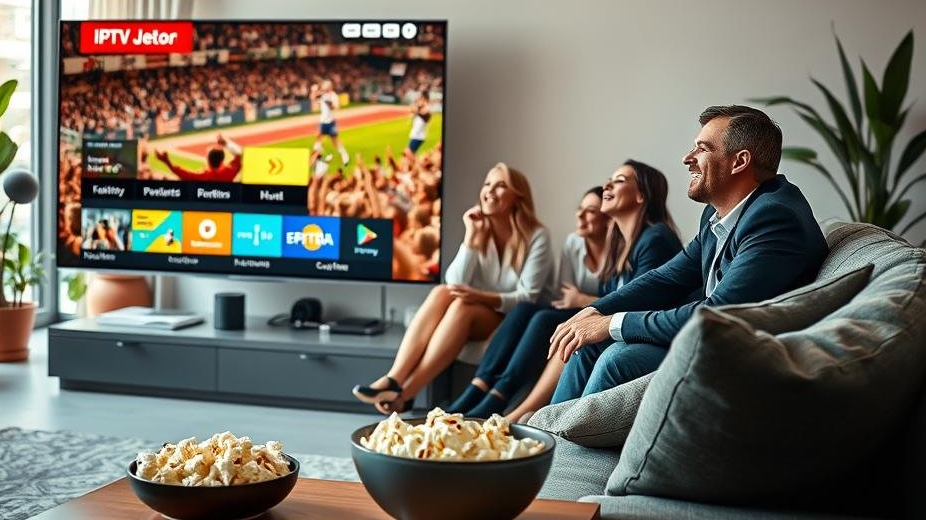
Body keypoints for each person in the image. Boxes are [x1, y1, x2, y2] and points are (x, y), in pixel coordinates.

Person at [547, 105, 828, 404]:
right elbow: (667, 276)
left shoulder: (774, 218)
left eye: (702, 149)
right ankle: (545, 437)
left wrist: (612, 323)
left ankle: (561, 445)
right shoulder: (719, 213)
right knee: (588, 343)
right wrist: (595, 311)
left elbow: (717, 314)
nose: (687, 158)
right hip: (707, 338)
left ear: (739, 162)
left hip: (743, 357)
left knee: (617, 358)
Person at [450, 163, 681, 420]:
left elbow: (642, 303)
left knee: (562, 328)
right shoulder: (621, 246)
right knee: (533, 313)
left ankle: (529, 414)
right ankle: (497, 397)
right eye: (609, 180)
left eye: (619, 181)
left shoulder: (655, 239)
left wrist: (586, 307)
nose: (607, 185)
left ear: (641, 196)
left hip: (646, 331)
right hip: (619, 322)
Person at [352, 163, 555, 413]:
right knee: (442, 293)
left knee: (463, 306)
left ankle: (405, 393)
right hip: (479, 310)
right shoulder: (480, 229)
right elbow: (454, 282)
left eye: (501, 185)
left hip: (515, 319)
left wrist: (478, 296)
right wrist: (471, 237)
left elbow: (528, 297)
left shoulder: (536, 236)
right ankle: (394, 378)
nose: (490, 191)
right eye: (488, 184)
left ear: (518, 197)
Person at [154, 133, 242, 182]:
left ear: (208, 160)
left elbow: (179, 172)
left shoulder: (202, 176)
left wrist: (166, 161)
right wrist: (226, 144)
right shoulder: (229, 172)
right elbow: (241, 155)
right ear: (222, 160)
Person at [311, 80, 350, 167]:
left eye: (326, 86)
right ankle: (315, 158)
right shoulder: (322, 94)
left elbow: (337, 107)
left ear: (330, 87)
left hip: (331, 122)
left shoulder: (333, 96)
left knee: (335, 141)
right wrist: (313, 91)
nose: (324, 87)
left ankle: (345, 156)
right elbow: (313, 99)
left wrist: (330, 104)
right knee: (318, 139)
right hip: (322, 121)